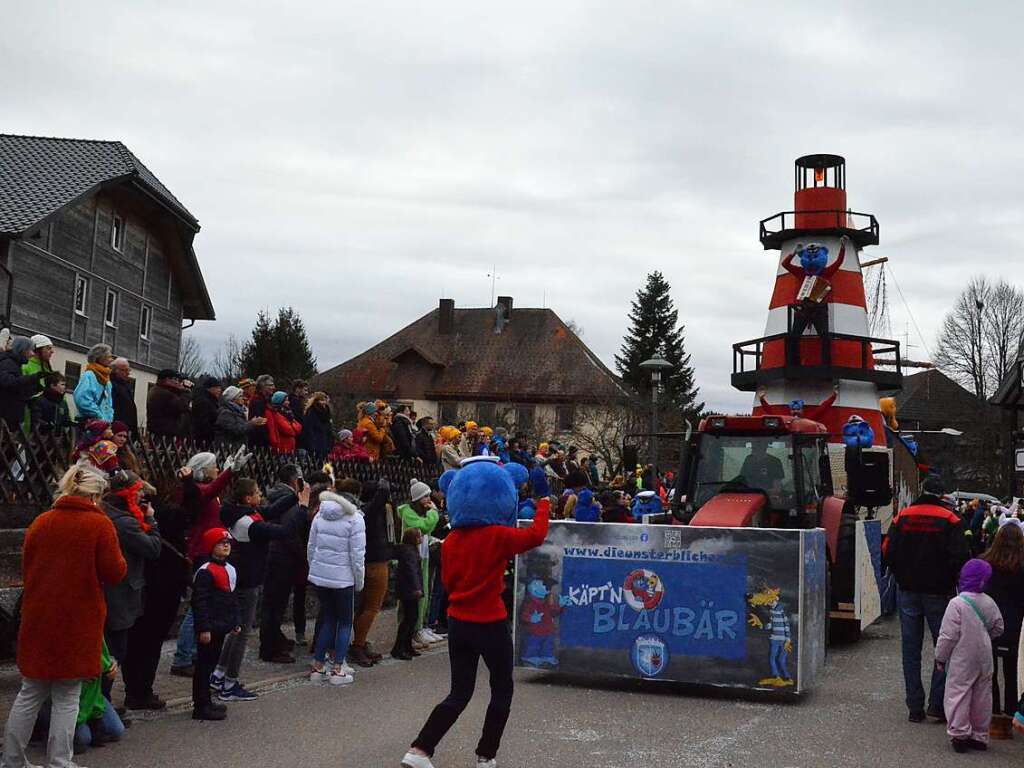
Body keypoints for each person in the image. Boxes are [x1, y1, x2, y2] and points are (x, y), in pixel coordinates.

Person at [401, 457, 547, 768]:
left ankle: (420, 749)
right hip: (490, 620)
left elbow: (447, 581)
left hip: (458, 620)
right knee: (501, 689)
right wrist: (544, 501)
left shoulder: (452, 540)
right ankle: (485, 754)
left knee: (459, 692)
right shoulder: (497, 535)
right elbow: (536, 536)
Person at [2, 464, 127, 768]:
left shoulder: (41, 522)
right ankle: (59, 761)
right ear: (96, 495)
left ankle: (12, 759)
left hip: (38, 615)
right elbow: (115, 571)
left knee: (30, 691)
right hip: (78, 619)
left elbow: (27, 567)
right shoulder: (99, 525)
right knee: (67, 695)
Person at [883, 475, 971, 722]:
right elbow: (962, 557)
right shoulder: (951, 519)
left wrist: (901, 574)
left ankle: (914, 707)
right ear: (942, 495)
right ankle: (937, 704)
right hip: (939, 593)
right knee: (943, 648)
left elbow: (887, 551)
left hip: (907, 591)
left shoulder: (903, 516)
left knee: (910, 650)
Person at [215, 477, 307, 701]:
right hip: (247, 581)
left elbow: (272, 509)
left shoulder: (243, 512)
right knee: (241, 633)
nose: (261, 496)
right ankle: (230, 683)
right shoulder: (248, 524)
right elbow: (285, 531)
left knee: (235, 630)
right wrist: (302, 508)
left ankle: (218, 673)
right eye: (257, 493)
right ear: (248, 498)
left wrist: (297, 496)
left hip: (247, 578)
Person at [124, 467, 197, 710]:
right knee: (149, 641)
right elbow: (190, 512)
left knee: (138, 640)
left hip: (144, 586)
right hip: (161, 587)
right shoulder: (162, 517)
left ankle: (135, 689)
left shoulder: (133, 517)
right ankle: (140, 691)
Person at [100, 470, 163, 707]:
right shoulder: (124, 522)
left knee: (112, 652)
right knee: (115, 653)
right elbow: (153, 549)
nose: (141, 497)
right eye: (138, 492)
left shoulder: (108, 512)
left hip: (114, 591)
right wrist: (151, 521)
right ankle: (102, 710)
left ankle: (103, 706)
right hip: (120, 594)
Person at [935, 559, 1004, 752]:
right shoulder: (989, 602)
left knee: (958, 692)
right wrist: (985, 635)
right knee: (982, 695)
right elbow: (999, 627)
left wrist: (940, 657)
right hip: (984, 656)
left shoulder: (956, 604)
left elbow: (947, 636)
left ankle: (959, 734)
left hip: (962, 656)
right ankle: (979, 735)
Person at [307, 490, 366, 686]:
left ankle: (317, 666)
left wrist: (314, 569)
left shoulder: (319, 515)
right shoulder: (355, 519)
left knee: (328, 620)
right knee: (345, 622)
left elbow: (311, 546)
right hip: (343, 579)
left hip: (321, 576)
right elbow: (357, 555)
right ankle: (338, 669)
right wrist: (359, 580)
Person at [260, 464, 311, 663]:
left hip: (273, 555)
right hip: (282, 558)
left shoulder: (273, 495)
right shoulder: (289, 501)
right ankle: (270, 648)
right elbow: (291, 531)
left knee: (272, 604)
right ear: (294, 480)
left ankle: (274, 640)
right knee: (275, 606)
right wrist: (302, 556)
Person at [191, 527, 240, 721]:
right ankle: (200, 705)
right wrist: (204, 628)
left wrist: (235, 621)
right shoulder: (205, 572)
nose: (226, 546)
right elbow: (199, 602)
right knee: (203, 667)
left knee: (210, 664)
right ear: (211, 547)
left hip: (222, 626)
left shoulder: (230, 569)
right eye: (221, 543)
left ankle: (207, 702)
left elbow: (232, 599)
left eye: (228, 542)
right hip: (209, 628)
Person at [980, 523, 1024, 725]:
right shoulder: (1021, 566)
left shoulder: (985, 563)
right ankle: (1013, 711)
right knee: (1013, 669)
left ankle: (994, 710)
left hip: (989, 622)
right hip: (1016, 625)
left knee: (990, 671)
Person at [348, 478, 391, 667]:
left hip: (368, 562)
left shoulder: (361, 511)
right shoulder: (370, 512)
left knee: (364, 606)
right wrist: (384, 484)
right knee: (372, 607)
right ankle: (357, 645)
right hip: (376, 563)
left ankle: (359, 641)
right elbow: (382, 496)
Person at [400, 480, 442, 647]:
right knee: (413, 596)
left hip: (423, 555)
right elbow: (424, 526)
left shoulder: (423, 511)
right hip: (411, 558)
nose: (428, 499)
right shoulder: (408, 512)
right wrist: (434, 513)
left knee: (425, 591)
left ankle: (420, 627)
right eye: (425, 496)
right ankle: (411, 633)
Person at [392, 528, 425, 660]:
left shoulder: (408, 551)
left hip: (407, 589)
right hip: (410, 590)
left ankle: (406, 646)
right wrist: (417, 588)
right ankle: (399, 647)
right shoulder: (409, 552)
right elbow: (412, 571)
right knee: (410, 618)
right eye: (419, 536)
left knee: (411, 618)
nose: (421, 538)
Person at [1, 336, 43, 431]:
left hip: (10, 416)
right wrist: (32, 378)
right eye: (31, 350)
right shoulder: (8, 363)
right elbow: (8, 382)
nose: (32, 354)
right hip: (6, 416)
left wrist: (34, 389)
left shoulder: (15, 364)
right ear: (22, 350)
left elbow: (16, 388)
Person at [20, 334, 54, 432]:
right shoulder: (25, 366)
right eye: (48, 348)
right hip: (30, 418)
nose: (52, 351)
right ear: (37, 349)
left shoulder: (48, 370)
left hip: (48, 418)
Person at [147, 369, 191, 439]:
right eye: (175, 379)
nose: (177, 382)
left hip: (160, 432)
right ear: (167, 379)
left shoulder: (158, 390)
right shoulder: (163, 393)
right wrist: (186, 391)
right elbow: (182, 406)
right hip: (164, 434)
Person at [110, 357, 139, 440]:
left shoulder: (125, 385)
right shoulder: (112, 384)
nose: (128, 373)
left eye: (128, 370)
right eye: (124, 370)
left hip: (126, 428)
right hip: (117, 428)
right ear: (115, 370)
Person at [300, 391, 334, 458]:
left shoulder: (327, 413)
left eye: (325, 400)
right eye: (322, 400)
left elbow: (329, 429)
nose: (324, 402)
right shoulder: (311, 412)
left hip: (325, 441)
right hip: (316, 442)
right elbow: (309, 429)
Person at [191, 375, 223, 444]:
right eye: (217, 388)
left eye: (220, 388)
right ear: (209, 388)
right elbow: (203, 422)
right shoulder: (203, 402)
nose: (219, 390)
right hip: (203, 438)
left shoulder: (212, 400)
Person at [246, 375, 275, 448]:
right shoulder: (257, 401)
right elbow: (259, 423)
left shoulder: (266, 400)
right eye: (270, 385)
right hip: (260, 443)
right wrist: (267, 440)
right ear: (263, 386)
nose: (273, 388)